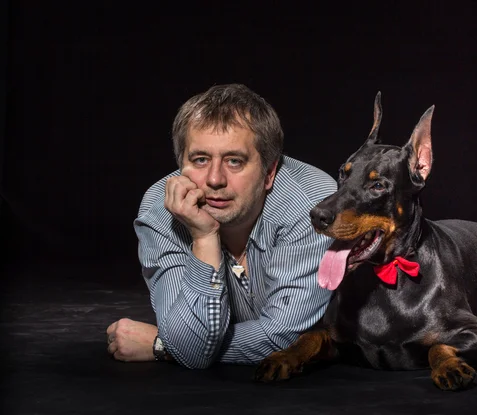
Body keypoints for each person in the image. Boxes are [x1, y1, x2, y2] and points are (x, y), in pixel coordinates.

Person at [106, 83, 338, 368]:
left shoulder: (313, 205)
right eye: (200, 159)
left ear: (269, 173)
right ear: (181, 164)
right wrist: (204, 236)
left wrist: (164, 345)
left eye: (234, 161)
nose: (215, 179)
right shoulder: (159, 210)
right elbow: (192, 347)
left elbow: (283, 335)